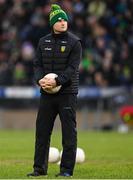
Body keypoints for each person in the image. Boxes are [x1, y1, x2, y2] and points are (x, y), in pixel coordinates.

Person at [27, 4, 82, 178]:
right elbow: (37, 65)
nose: (62, 22)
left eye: (64, 19)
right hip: (47, 94)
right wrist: (40, 80)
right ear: (52, 23)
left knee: (68, 134)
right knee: (42, 132)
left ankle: (66, 170)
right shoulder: (43, 42)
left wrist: (57, 80)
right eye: (58, 20)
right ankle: (39, 169)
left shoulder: (75, 42)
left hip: (67, 93)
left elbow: (72, 68)